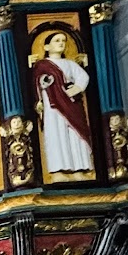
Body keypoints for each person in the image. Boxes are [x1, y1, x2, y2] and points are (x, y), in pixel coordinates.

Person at [33, 32, 95, 175]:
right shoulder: (42, 65)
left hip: (70, 101)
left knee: (75, 131)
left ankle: (80, 166)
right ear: (47, 46)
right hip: (51, 104)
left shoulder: (70, 64)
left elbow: (82, 77)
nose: (61, 43)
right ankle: (59, 167)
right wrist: (43, 82)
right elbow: (36, 82)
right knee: (56, 132)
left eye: (63, 41)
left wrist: (77, 88)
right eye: (56, 41)